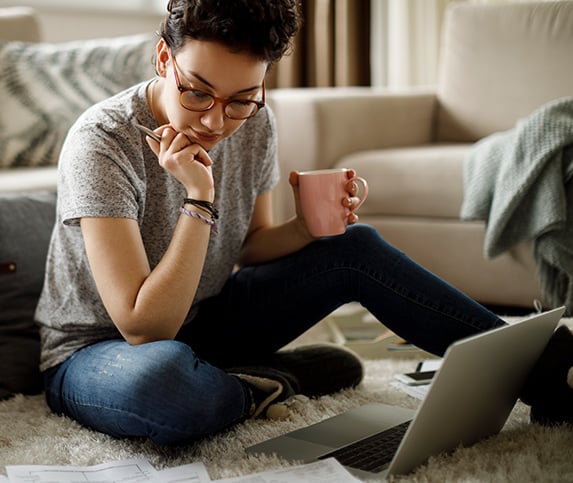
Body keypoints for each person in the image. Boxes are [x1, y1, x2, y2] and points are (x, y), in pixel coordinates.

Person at [35, 0, 529, 446]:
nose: (215, 122)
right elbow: (144, 326)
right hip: (100, 351)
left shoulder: (256, 122)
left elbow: (249, 246)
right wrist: (200, 198)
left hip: (206, 321)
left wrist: (305, 230)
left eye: (242, 99)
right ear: (164, 58)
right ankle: (260, 382)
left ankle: (539, 365)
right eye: (199, 94)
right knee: (163, 388)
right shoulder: (102, 141)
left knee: (354, 246)